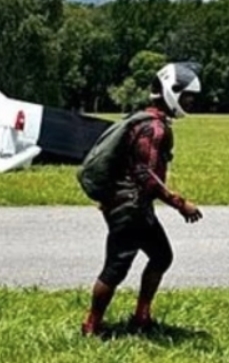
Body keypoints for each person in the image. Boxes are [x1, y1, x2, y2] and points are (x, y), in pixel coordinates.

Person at [82, 61, 204, 336]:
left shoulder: (144, 119)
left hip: (133, 205)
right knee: (115, 268)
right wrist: (180, 203)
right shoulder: (154, 128)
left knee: (161, 256)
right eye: (187, 97)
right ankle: (91, 326)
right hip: (130, 208)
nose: (191, 103)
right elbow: (144, 173)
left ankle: (142, 317)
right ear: (172, 92)